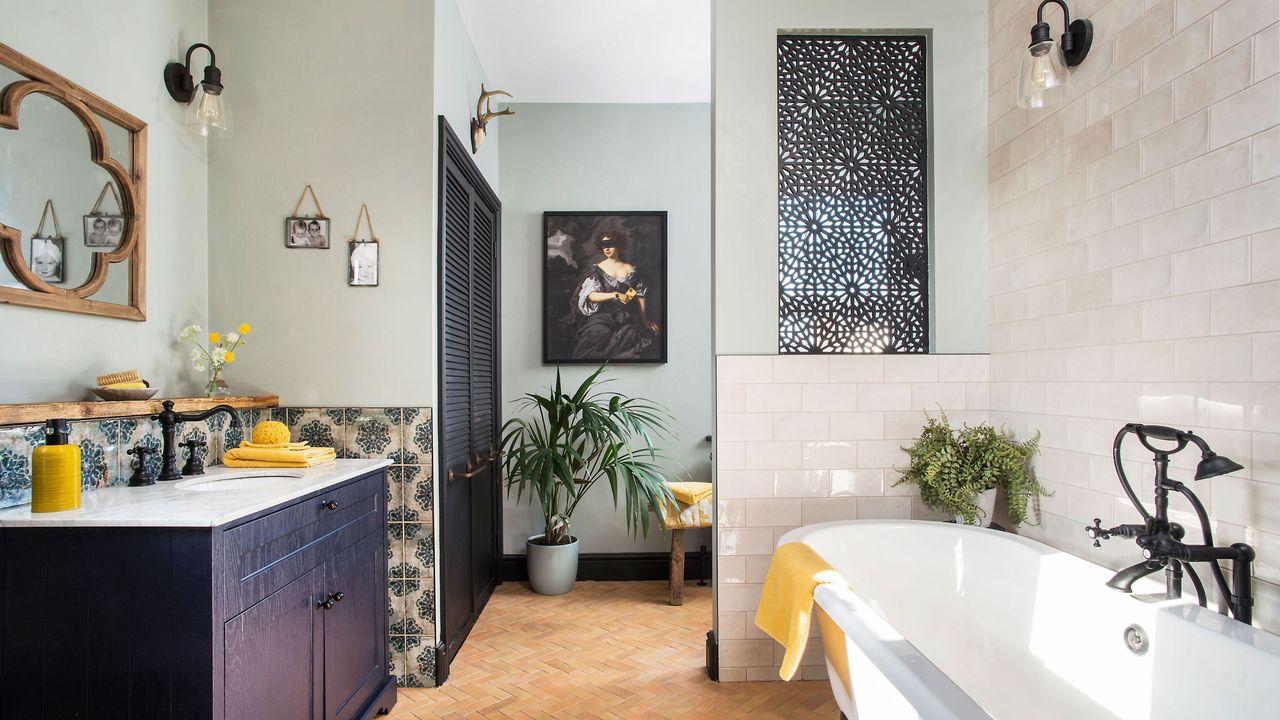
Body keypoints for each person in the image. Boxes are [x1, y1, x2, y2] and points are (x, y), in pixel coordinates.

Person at [569, 231, 660, 360]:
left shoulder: (632, 270)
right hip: (601, 316)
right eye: (603, 245)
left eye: (610, 244)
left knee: (631, 336)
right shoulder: (597, 270)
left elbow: (640, 296)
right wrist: (615, 295)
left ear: (620, 245)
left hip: (625, 318)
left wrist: (645, 321)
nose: (606, 248)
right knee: (596, 333)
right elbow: (591, 295)